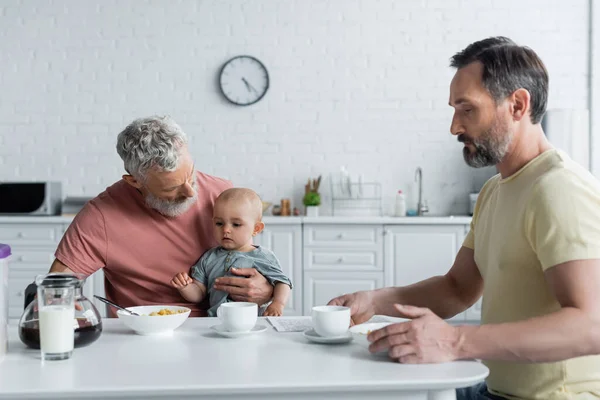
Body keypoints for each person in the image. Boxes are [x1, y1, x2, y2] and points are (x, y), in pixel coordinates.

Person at [329, 36, 600, 400]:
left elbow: (592, 325)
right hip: (494, 389)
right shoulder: (495, 190)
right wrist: (374, 302)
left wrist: (455, 340)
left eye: (467, 109)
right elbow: (457, 288)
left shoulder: (557, 188)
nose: (455, 127)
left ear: (517, 105)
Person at [49, 116, 274, 317]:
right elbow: (57, 286)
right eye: (172, 189)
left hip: (218, 325)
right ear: (135, 181)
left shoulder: (223, 194)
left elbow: (250, 258)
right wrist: (58, 301)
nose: (191, 192)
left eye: (192, 175)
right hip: (143, 333)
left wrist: (265, 289)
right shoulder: (101, 217)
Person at [170, 188, 292, 317]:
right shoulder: (209, 257)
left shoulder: (263, 256)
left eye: (236, 224)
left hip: (252, 321)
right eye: (219, 223)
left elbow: (282, 283)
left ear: (256, 229)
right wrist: (185, 287)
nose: (226, 229)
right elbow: (199, 293)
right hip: (217, 322)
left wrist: (278, 303)